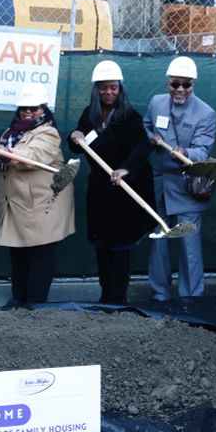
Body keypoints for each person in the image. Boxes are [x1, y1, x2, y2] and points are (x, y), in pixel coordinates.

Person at [69, 60, 155, 305]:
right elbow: (77, 143)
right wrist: (74, 136)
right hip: (100, 190)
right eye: (103, 88)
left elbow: (142, 146)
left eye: (113, 88)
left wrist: (125, 169)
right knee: (102, 245)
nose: (108, 93)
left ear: (120, 89)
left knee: (120, 247)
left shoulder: (130, 117)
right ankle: (105, 295)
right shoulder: (90, 114)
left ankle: (117, 298)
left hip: (125, 190)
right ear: (96, 89)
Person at [0, 83, 74, 305]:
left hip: (41, 205)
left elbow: (33, 157)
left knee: (40, 254)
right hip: (17, 204)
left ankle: (35, 304)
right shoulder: (12, 132)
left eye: (34, 108)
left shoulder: (49, 133)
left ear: (44, 110)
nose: (28, 111)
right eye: (24, 107)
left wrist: (8, 153)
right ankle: (19, 298)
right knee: (18, 252)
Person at [143, 57, 216, 301]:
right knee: (160, 240)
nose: (181, 90)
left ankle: (191, 297)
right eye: (176, 84)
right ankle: (160, 292)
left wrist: (186, 153)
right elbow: (145, 126)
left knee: (189, 244)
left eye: (187, 85)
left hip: (187, 186)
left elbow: (203, 150)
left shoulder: (206, 113)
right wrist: (151, 137)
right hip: (161, 183)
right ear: (168, 83)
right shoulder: (156, 103)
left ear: (193, 85)